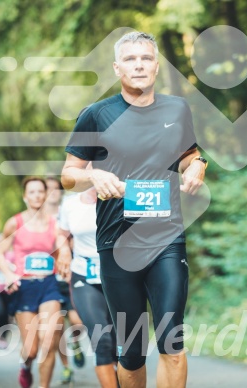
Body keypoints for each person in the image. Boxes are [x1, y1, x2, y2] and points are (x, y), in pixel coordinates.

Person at [61, 32, 206, 388]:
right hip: (117, 245)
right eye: (130, 59)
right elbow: (68, 175)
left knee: (172, 341)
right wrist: (94, 174)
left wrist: (199, 164)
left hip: (167, 239)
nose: (138, 64)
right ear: (116, 67)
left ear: (156, 66)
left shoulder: (177, 109)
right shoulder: (96, 115)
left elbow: (189, 153)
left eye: (145, 58)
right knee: (131, 352)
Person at [0, 176, 66, 388]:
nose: (36, 195)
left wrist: (64, 255)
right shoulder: (14, 223)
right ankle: (25, 366)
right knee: (31, 349)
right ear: (25, 197)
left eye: (40, 191)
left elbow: (62, 245)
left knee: (48, 339)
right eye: (32, 192)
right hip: (24, 287)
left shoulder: (55, 224)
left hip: (48, 285)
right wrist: (8, 274)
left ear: (45, 195)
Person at [57, 186, 118, 387]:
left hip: (119, 274)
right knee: (101, 339)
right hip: (84, 274)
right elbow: (61, 232)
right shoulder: (70, 203)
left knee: (124, 344)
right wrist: (65, 249)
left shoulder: (121, 195)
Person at [45, 176, 86, 384]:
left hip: (70, 275)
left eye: (55, 188)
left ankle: (76, 343)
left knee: (78, 321)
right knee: (56, 328)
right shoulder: (37, 219)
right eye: (47, 189)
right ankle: (67, 367)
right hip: (49, 280)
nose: (51, 192)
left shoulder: (70, 210)